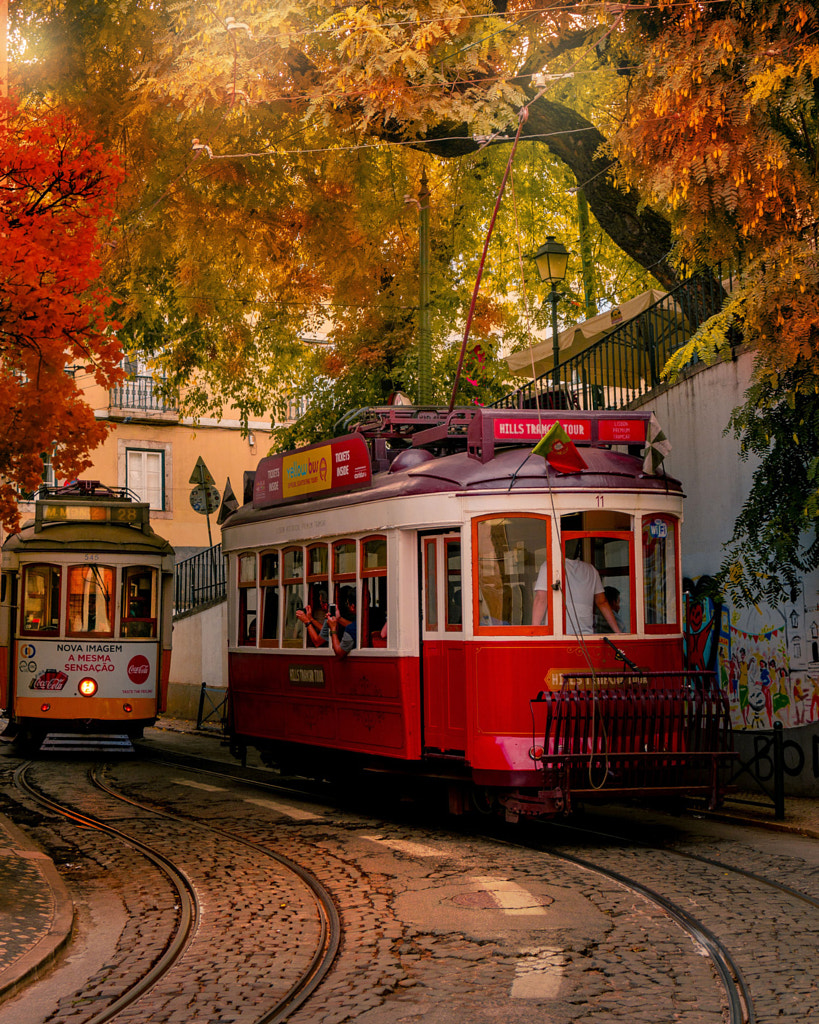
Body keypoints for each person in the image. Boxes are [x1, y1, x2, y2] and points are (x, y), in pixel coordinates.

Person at [532, 557, 621, 634]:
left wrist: (533, 633)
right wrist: (618, 632)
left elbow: (541, 599)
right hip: (586, 637)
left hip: (558, 635)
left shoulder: (550, 565)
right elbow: (602, 602)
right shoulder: (591, 569)